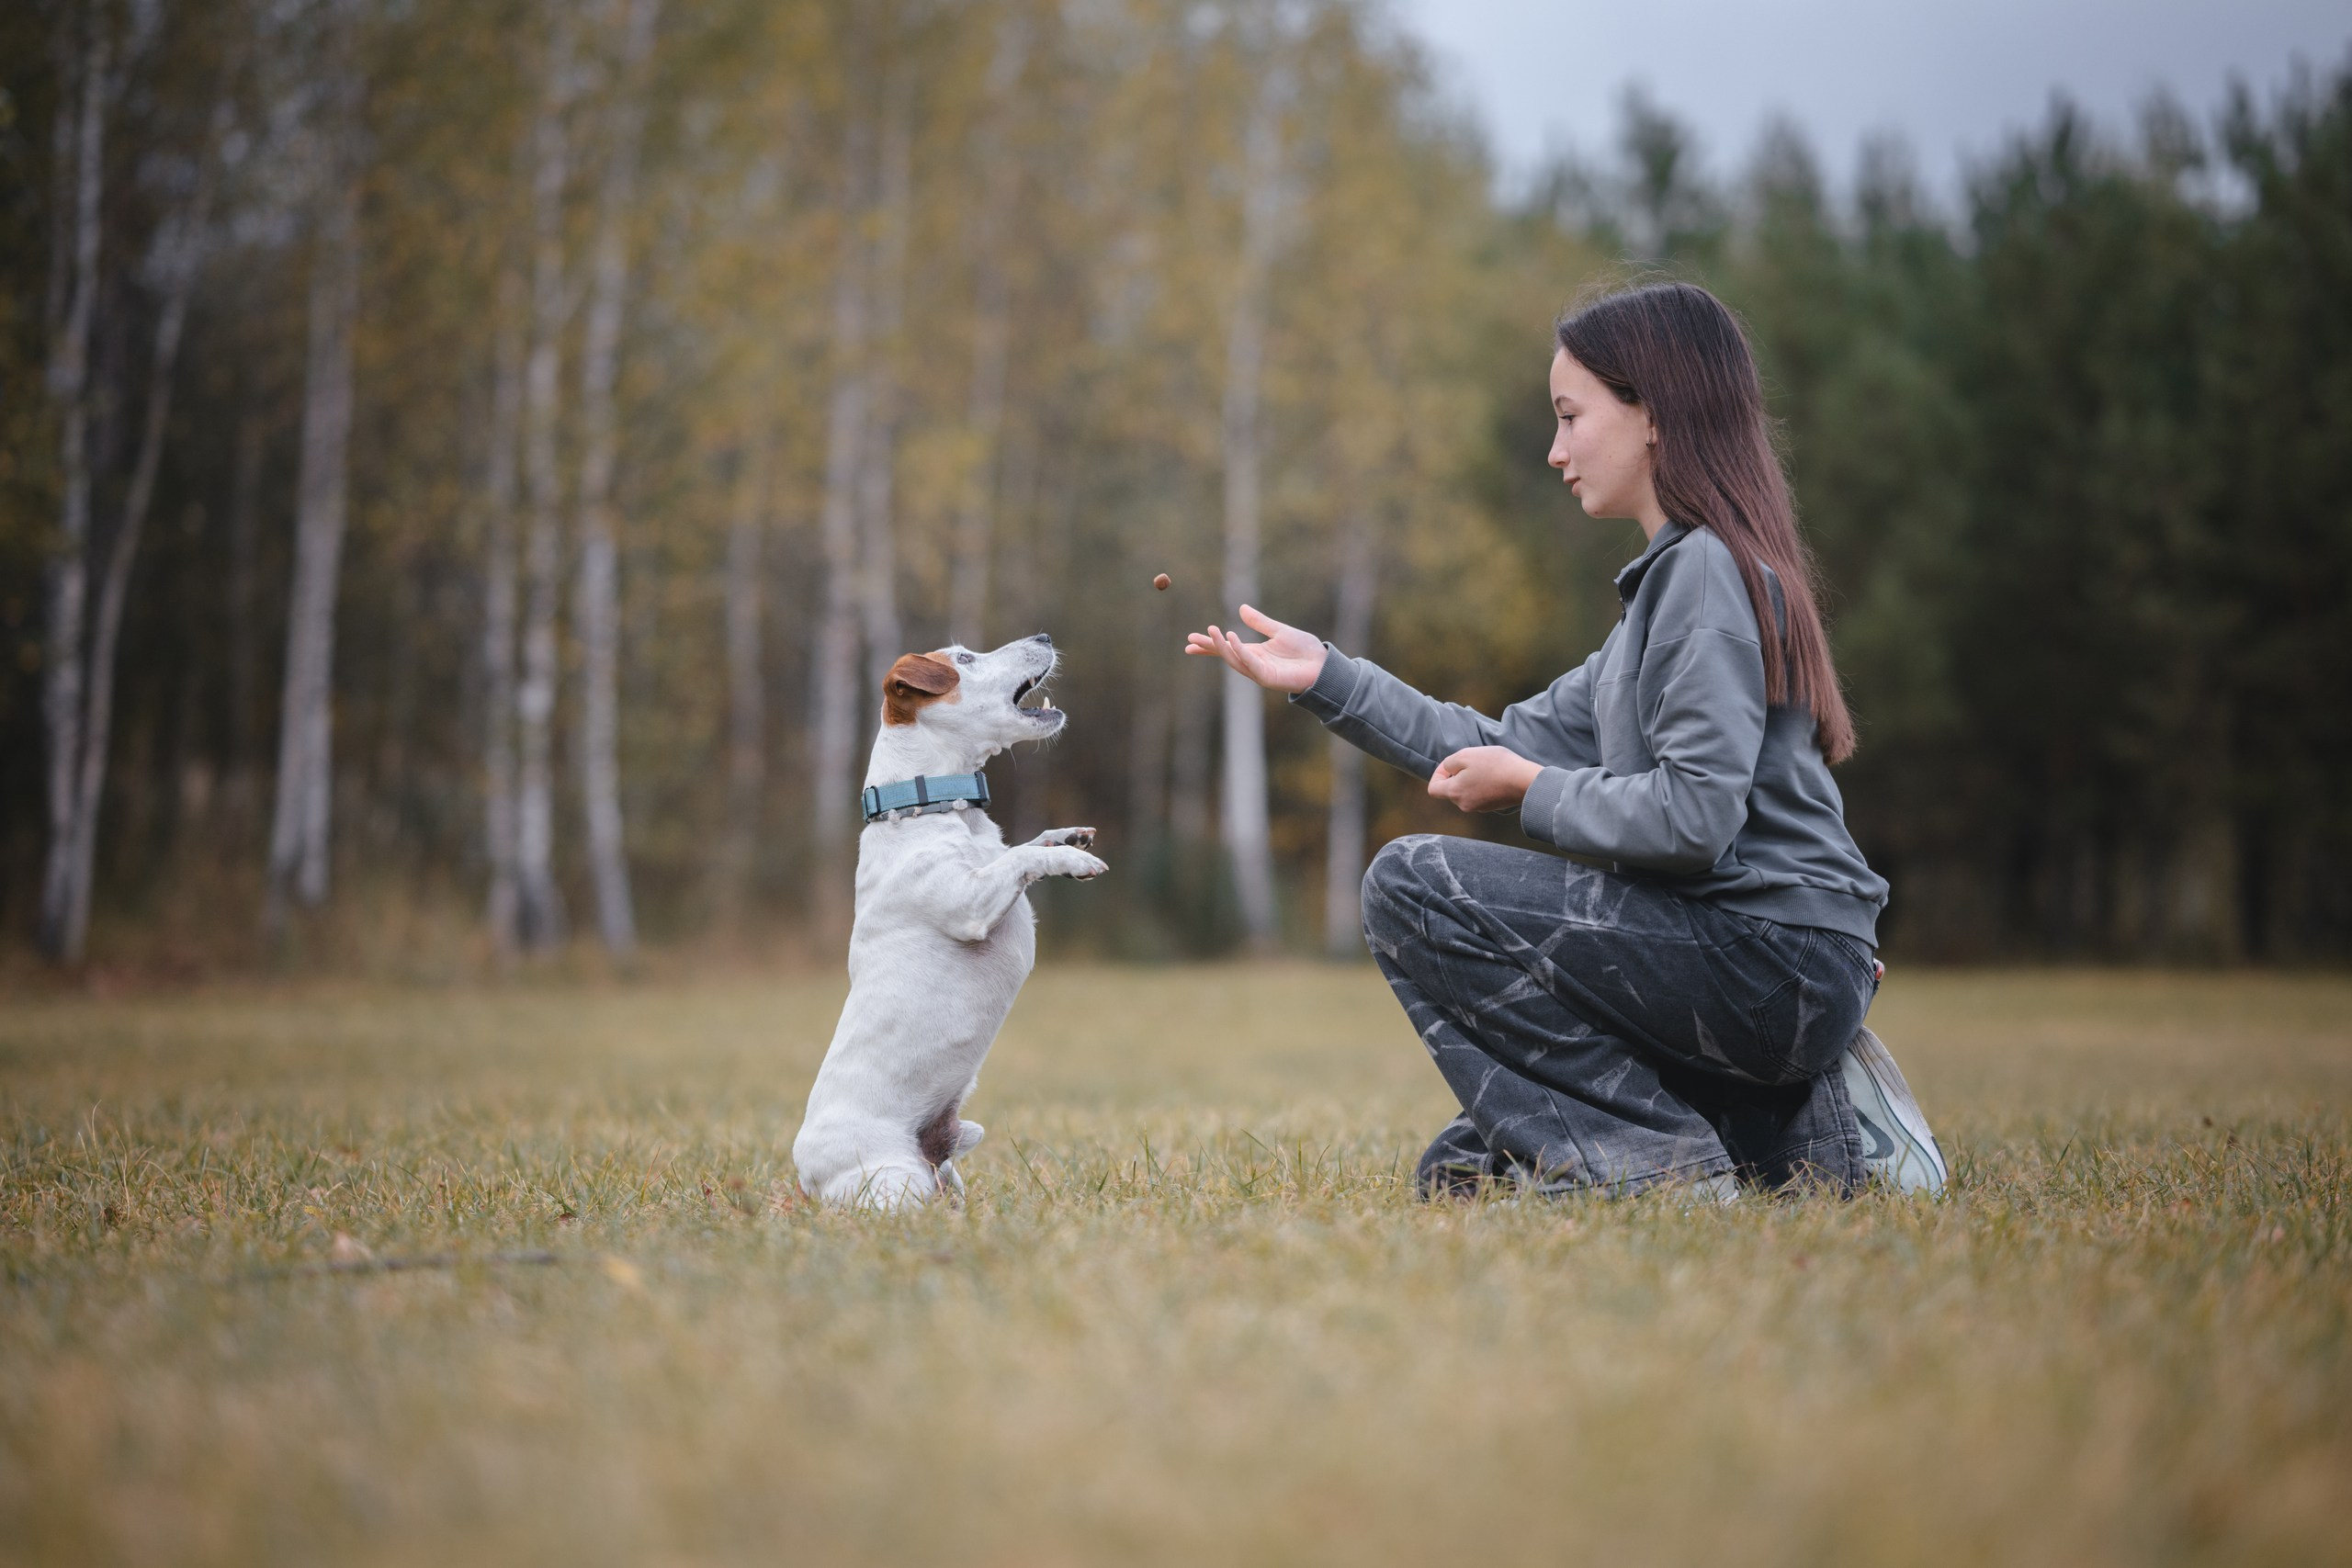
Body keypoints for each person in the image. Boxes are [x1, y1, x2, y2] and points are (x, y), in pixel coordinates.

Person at [1187, 280, 1947, 1201]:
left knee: (1411, 884)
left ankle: (1668, 1168)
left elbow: (1693, 818)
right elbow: (1490, 740)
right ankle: (1810, 1141)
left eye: (1569, 416)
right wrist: (1329, 678)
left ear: (1652, 412)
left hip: (1770, 962)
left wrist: (1532, 790)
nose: (1555, 451)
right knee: (1462, 1173)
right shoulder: (1657, 607)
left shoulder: (1706, 574)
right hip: (1762, 969)